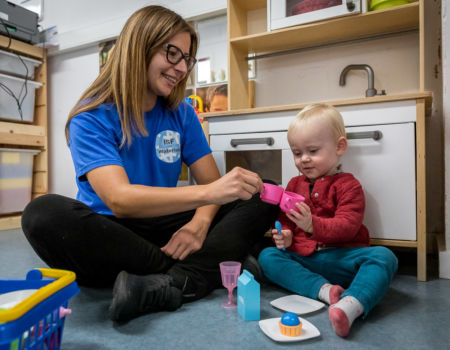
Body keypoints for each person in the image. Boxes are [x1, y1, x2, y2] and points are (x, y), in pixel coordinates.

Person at [21, 5, 278, 323]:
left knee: (262, 191)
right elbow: (121, 200)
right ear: (139, 47)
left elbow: (213, 187)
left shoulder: (182, 113)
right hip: (113, 231)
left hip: (166, 226)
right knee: (41, 214)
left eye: (186, 59)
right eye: (173, 54)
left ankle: (173, 282)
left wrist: (198, 226)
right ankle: (208, 267)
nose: (182, 68)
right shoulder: (90, 116)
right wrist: (210, 195)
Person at [258, 103, 398, 337]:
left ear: (340, 146)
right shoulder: (294, 184)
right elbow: (285, 220)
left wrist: (313, 225)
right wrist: (285, 235)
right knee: (267, 256)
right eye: (297, 153)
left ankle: (351, 304)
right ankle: (326, 291)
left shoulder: (349, 185)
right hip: (305, 258)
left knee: (384, 257)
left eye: (313, 151)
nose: (304, 159)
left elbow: (347, 227)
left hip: (342, 258)